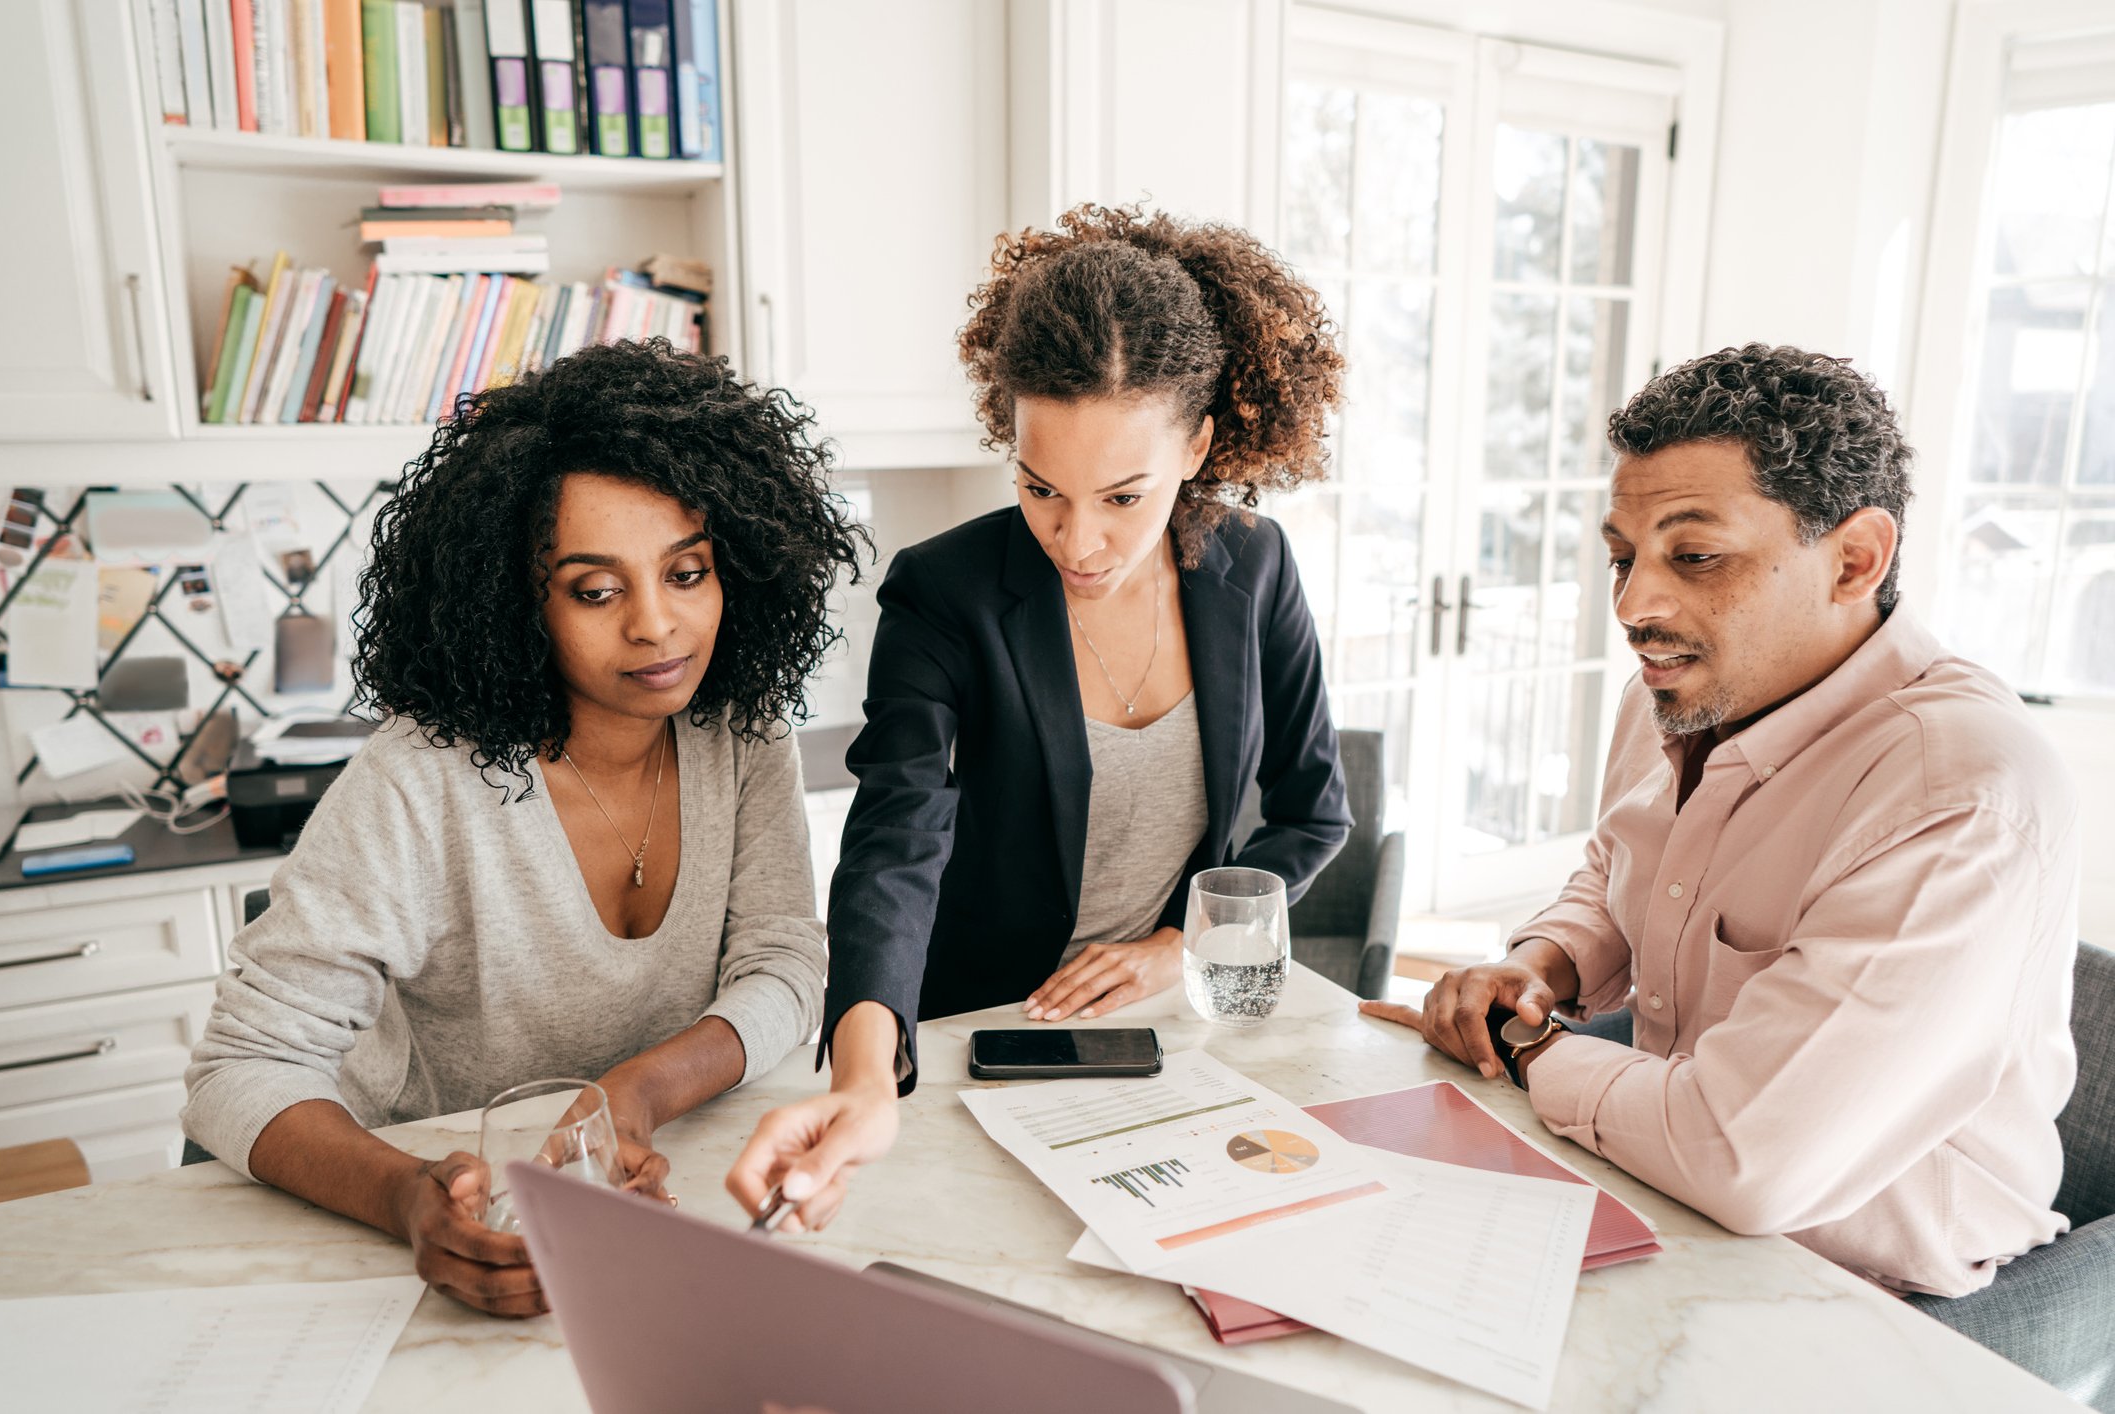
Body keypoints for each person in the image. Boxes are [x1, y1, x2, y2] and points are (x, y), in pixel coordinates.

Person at [1363, 344, 2079, 1298]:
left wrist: (1532, 1046)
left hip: (1878, 1299)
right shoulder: (1677, 690)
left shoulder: (1958, 795)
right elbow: (1625, 866)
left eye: (1694, 557)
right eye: (1622, 557)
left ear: (1855, 559)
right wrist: (1540, 965)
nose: (1634, 605)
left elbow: (1742, 1157)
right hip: (1673, 1206)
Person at [182, 340, 867, 1316]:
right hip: (448, 1219)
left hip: (659, 1196)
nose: (656, 626)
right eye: (596, 589)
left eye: (686, 572)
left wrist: (631, 1092)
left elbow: (785, 966)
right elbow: (237, 1072)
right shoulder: (420, 781)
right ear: (519, 602)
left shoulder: (738, 730)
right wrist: (408, 1200)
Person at [725, 203, 1353, 1232]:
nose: (1078, 539)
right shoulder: (944, 592)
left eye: (1121, 495)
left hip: (1167, 1032)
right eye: (1038, 486)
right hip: (982, 1031)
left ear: (1195, 446)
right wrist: (863, 1073)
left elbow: (1310, 814)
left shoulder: (1253, 566)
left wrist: (1173, 947)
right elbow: (893, 840)